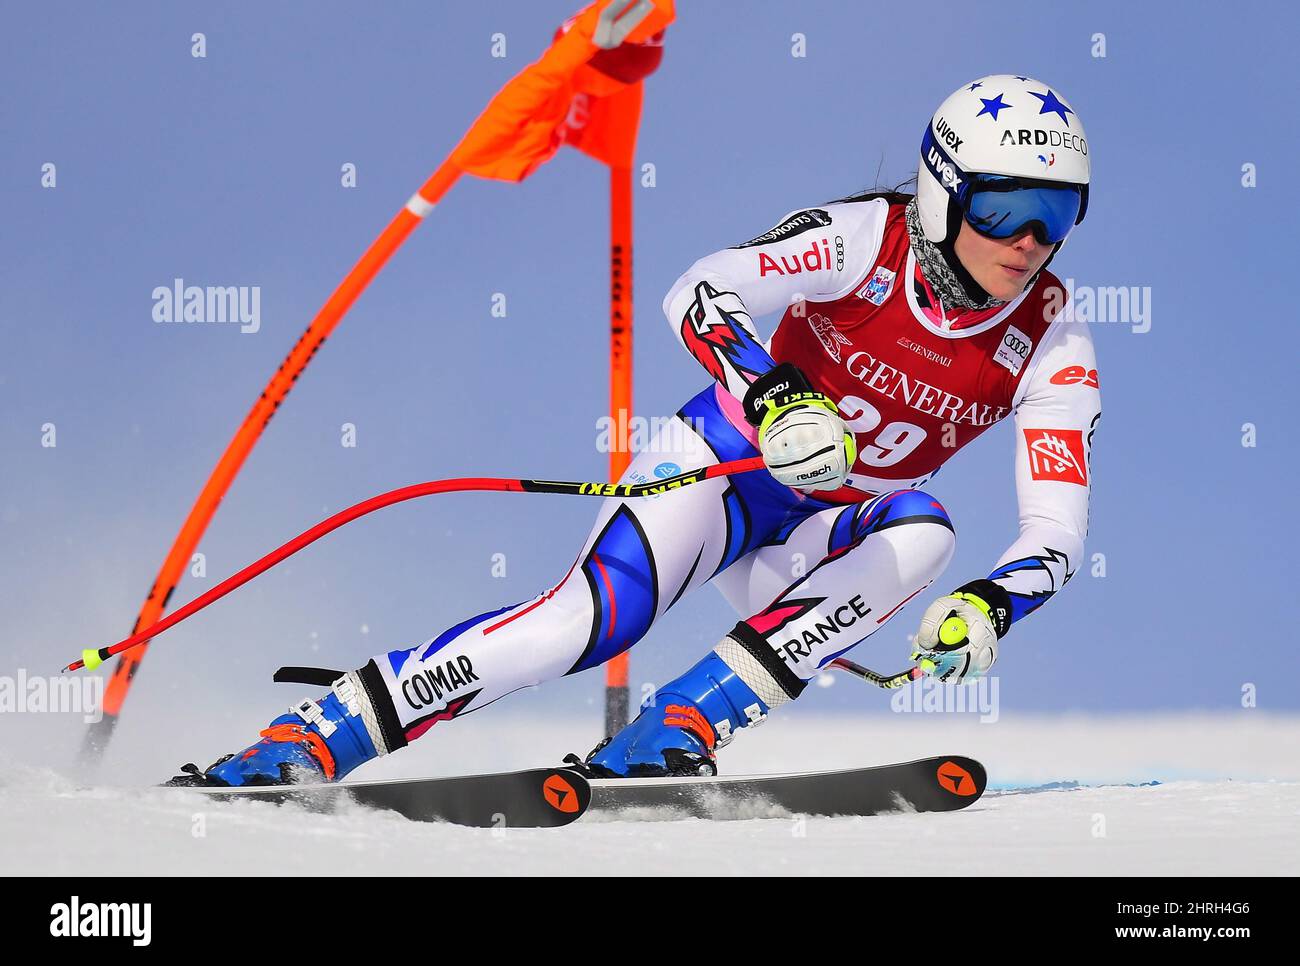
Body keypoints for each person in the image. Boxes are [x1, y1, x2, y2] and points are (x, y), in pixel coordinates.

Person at [173, 74, 1101, 786]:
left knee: (926, 532)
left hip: (816, 542)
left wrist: (991, 606)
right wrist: (775, 397)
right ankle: (320, 733)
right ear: (942, 195)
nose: (1026, 240)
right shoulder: (869, 239)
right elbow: (702, 286)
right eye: (1001, 206)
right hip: (718, 476)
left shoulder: (1052, 339)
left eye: (1055, 215)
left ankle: (681, 726)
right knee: (576, 628)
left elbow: (1055, 533)